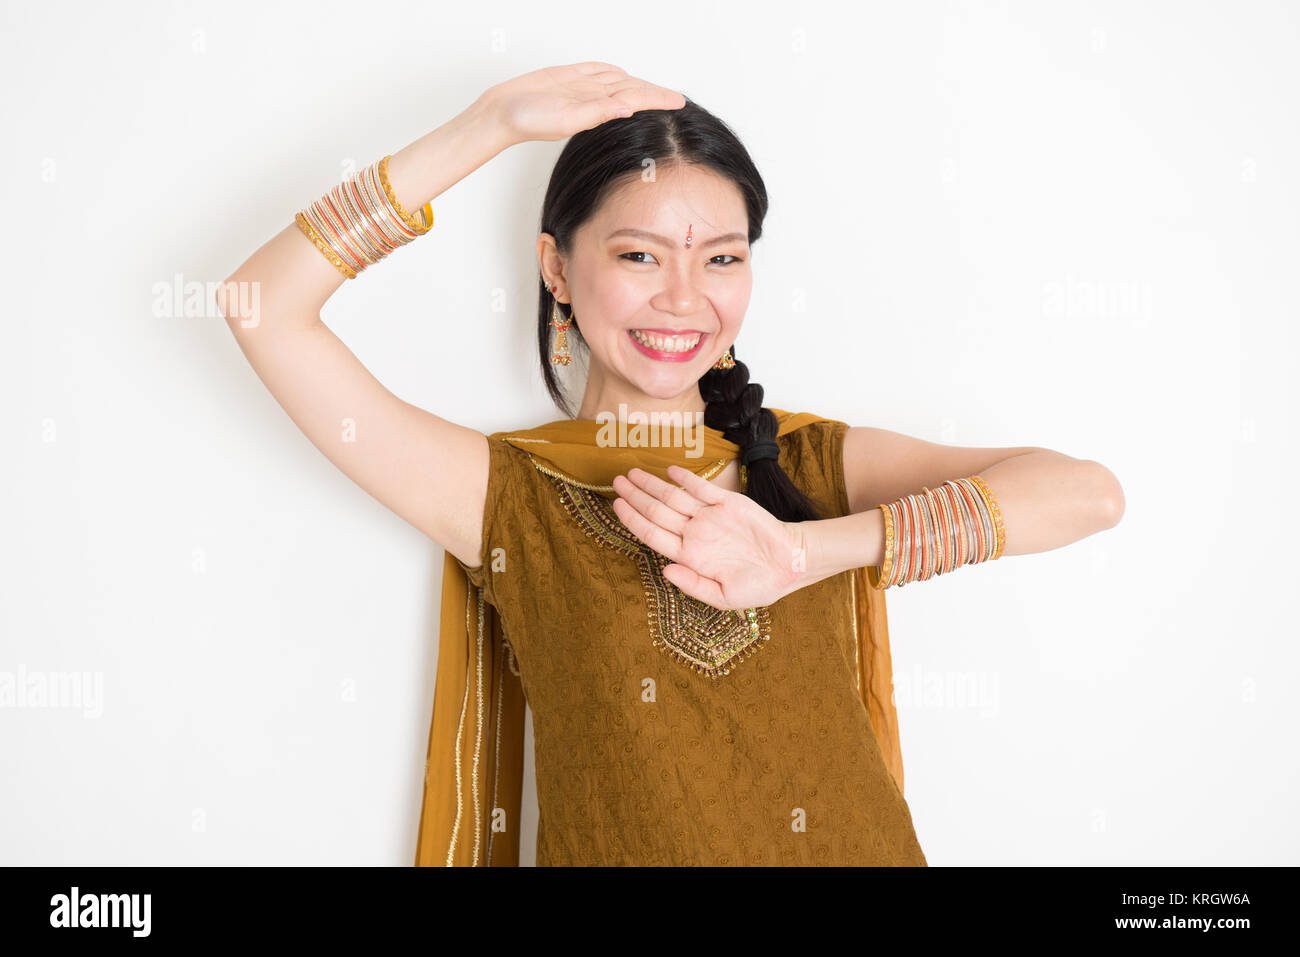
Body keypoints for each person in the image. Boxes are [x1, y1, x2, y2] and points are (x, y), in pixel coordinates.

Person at [215, 61, 1125, 866]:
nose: (685, 298)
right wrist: (484, 126)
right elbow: (261, 304)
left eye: (720, 258)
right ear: (557, 269)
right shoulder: (507, 497)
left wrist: (801, 554)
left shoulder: (810, 460)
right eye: (639, 254)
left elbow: (1088, 494)